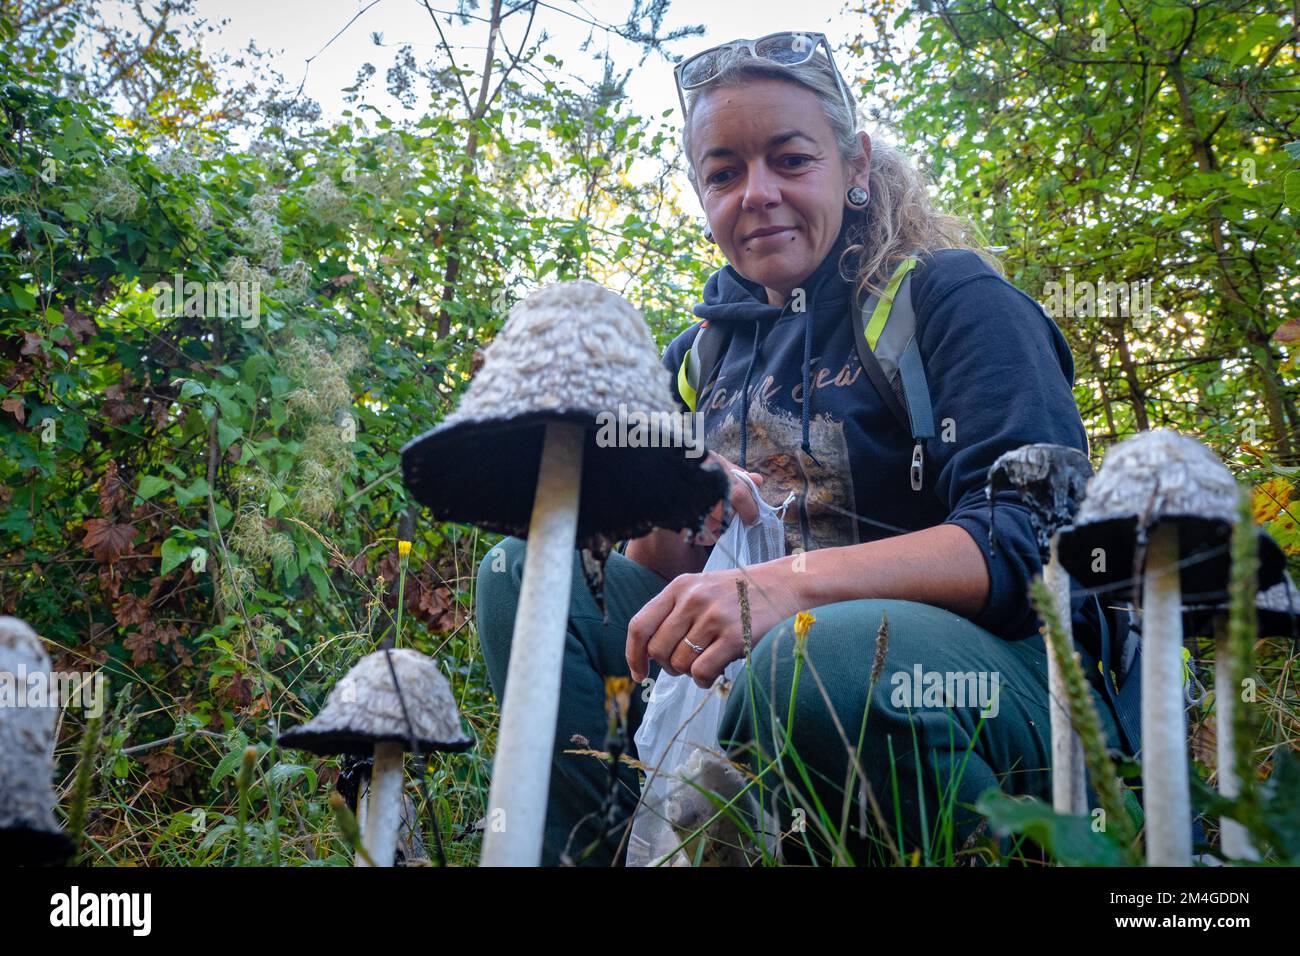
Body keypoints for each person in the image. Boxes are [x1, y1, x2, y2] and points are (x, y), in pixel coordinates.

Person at [477, 31, 1125, 866]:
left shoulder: (952, 299)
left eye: (790, 159)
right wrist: (677, 497)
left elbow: (1040, 540)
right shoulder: (699, 355)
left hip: (997, 688)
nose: (758, 194)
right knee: (527, 571)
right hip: (767, 679)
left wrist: (784, 587)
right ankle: (591, 854)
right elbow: (670, 577)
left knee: (820, 653)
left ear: (854, 165)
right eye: (724, 173)